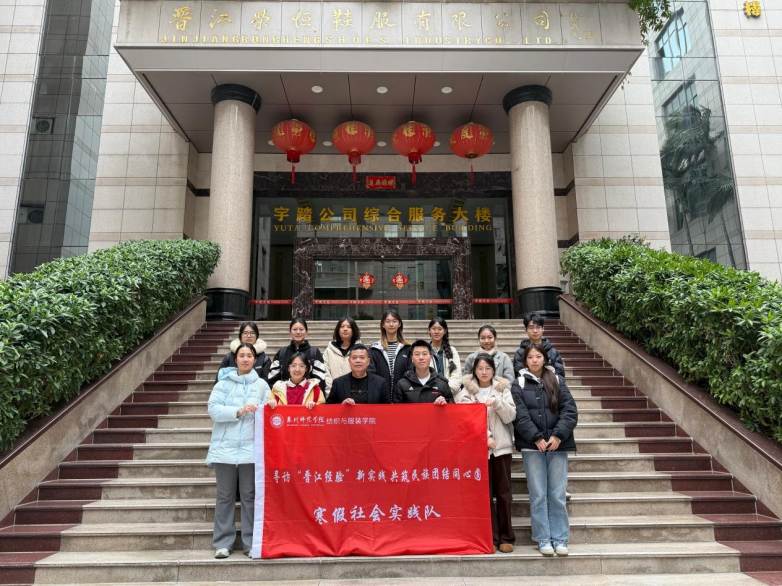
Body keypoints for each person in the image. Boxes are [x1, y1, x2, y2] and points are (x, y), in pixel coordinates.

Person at [512, 343, 578, 557]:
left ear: (545, 359)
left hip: (558, 445)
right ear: (525, 360)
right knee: (538, 494)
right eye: (530, 357)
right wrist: (536, 438)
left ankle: (560, 538)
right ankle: (543, 538)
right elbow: (520, 415)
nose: (534, 360)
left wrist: (558, 435)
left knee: (557, 494)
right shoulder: (519, 383)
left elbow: (569, 411)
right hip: (533, 448)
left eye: (538, 356)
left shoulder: (557, 380)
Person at [206, 342, 270, 559]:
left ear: (255, 359)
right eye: (241, 355)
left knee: (250, 497)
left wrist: (268, 409)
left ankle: (251, 543)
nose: (245, 359)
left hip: (251, 451)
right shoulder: (223, 384)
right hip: (224, 450)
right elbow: (213, 410)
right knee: (225, 496)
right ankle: (223, 543)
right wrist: (239, 411)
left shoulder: (262, 385)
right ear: (235, 359)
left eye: (249, 355)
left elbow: (270, 412)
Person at [459, 354, 517, 553]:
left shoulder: (503, 389)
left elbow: (511, 416)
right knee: (484, 495)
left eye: (488, 368)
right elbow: (465, 419)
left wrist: (497, 403)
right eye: (480, 368)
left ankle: (506, 537)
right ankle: (489, 537)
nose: (484, 372)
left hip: (501, 449)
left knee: (504, 494)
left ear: (494, 370)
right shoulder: (467, 391)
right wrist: (484, 437)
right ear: (474, 370)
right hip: (478, 450)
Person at [268, 318, 326, 391]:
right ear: (290, 331)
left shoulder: (314, 353)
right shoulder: (282, 353)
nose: (298, 332)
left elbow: (320, 380)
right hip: (285, 395)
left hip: (308, 396)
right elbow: (272, 380)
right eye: (295, 329)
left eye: (301, 329)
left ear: (306, 331)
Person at [369, 310, 411, 401]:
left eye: (394, 321)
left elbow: (411, 372)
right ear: (383, 324)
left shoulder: (408, 348)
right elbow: (371, 374)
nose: (391, 324)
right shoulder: (374, 349)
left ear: (399, 324)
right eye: (387, 321)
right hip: (380, 397)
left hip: (403, 397)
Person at [393, 340, 453, 404]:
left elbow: (452, 406)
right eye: (417, 354)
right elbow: (396, 409)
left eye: (424, 354)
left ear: (431, 358)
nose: (421, 357)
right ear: (412, 359)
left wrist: (445, 403)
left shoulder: (442, 384)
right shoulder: (402, 384)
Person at [513, 313, 565, 378]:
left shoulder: (553, 353)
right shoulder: (520, 353)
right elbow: (519, 375)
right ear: (526, 330)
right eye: (531, 328)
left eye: (538, 327)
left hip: (550, 383)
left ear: (543, 329)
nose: (535, 331)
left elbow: (560, 376)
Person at [324, 317, 361, 395]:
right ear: (338, 330)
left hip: (355, 396)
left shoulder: (360, 351)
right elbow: (326, 375)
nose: (345, 329)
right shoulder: (329, 351)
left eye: (349, 327)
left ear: (354, 330)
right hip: (334, 396)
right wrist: (331, 394)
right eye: (342, 326)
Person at [427, 317, 462, 397]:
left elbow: (456, 376)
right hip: (430, 396)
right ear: (429, 331)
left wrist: (445, 393)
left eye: (440, 329)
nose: (436, 332)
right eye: (433, 329)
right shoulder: (424, 351)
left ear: (445, 331)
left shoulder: (452, 351)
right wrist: (434, 393)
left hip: (451, 396)